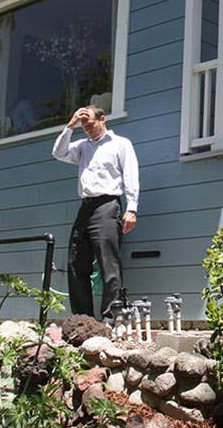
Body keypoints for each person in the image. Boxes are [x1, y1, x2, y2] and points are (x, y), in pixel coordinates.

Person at [51, 105, 140, 319]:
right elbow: (58, 152)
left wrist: (132, 208)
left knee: (108, 262)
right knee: (76, 261)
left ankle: (111, 317)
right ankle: (83, 319)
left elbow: (130, 175)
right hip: (86, 206)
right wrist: (70, 126)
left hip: (108, 205)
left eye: (90, 124)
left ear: (102, 119)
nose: (87, 129)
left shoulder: (120, 144)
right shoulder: (82, 146)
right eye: (84, 126)